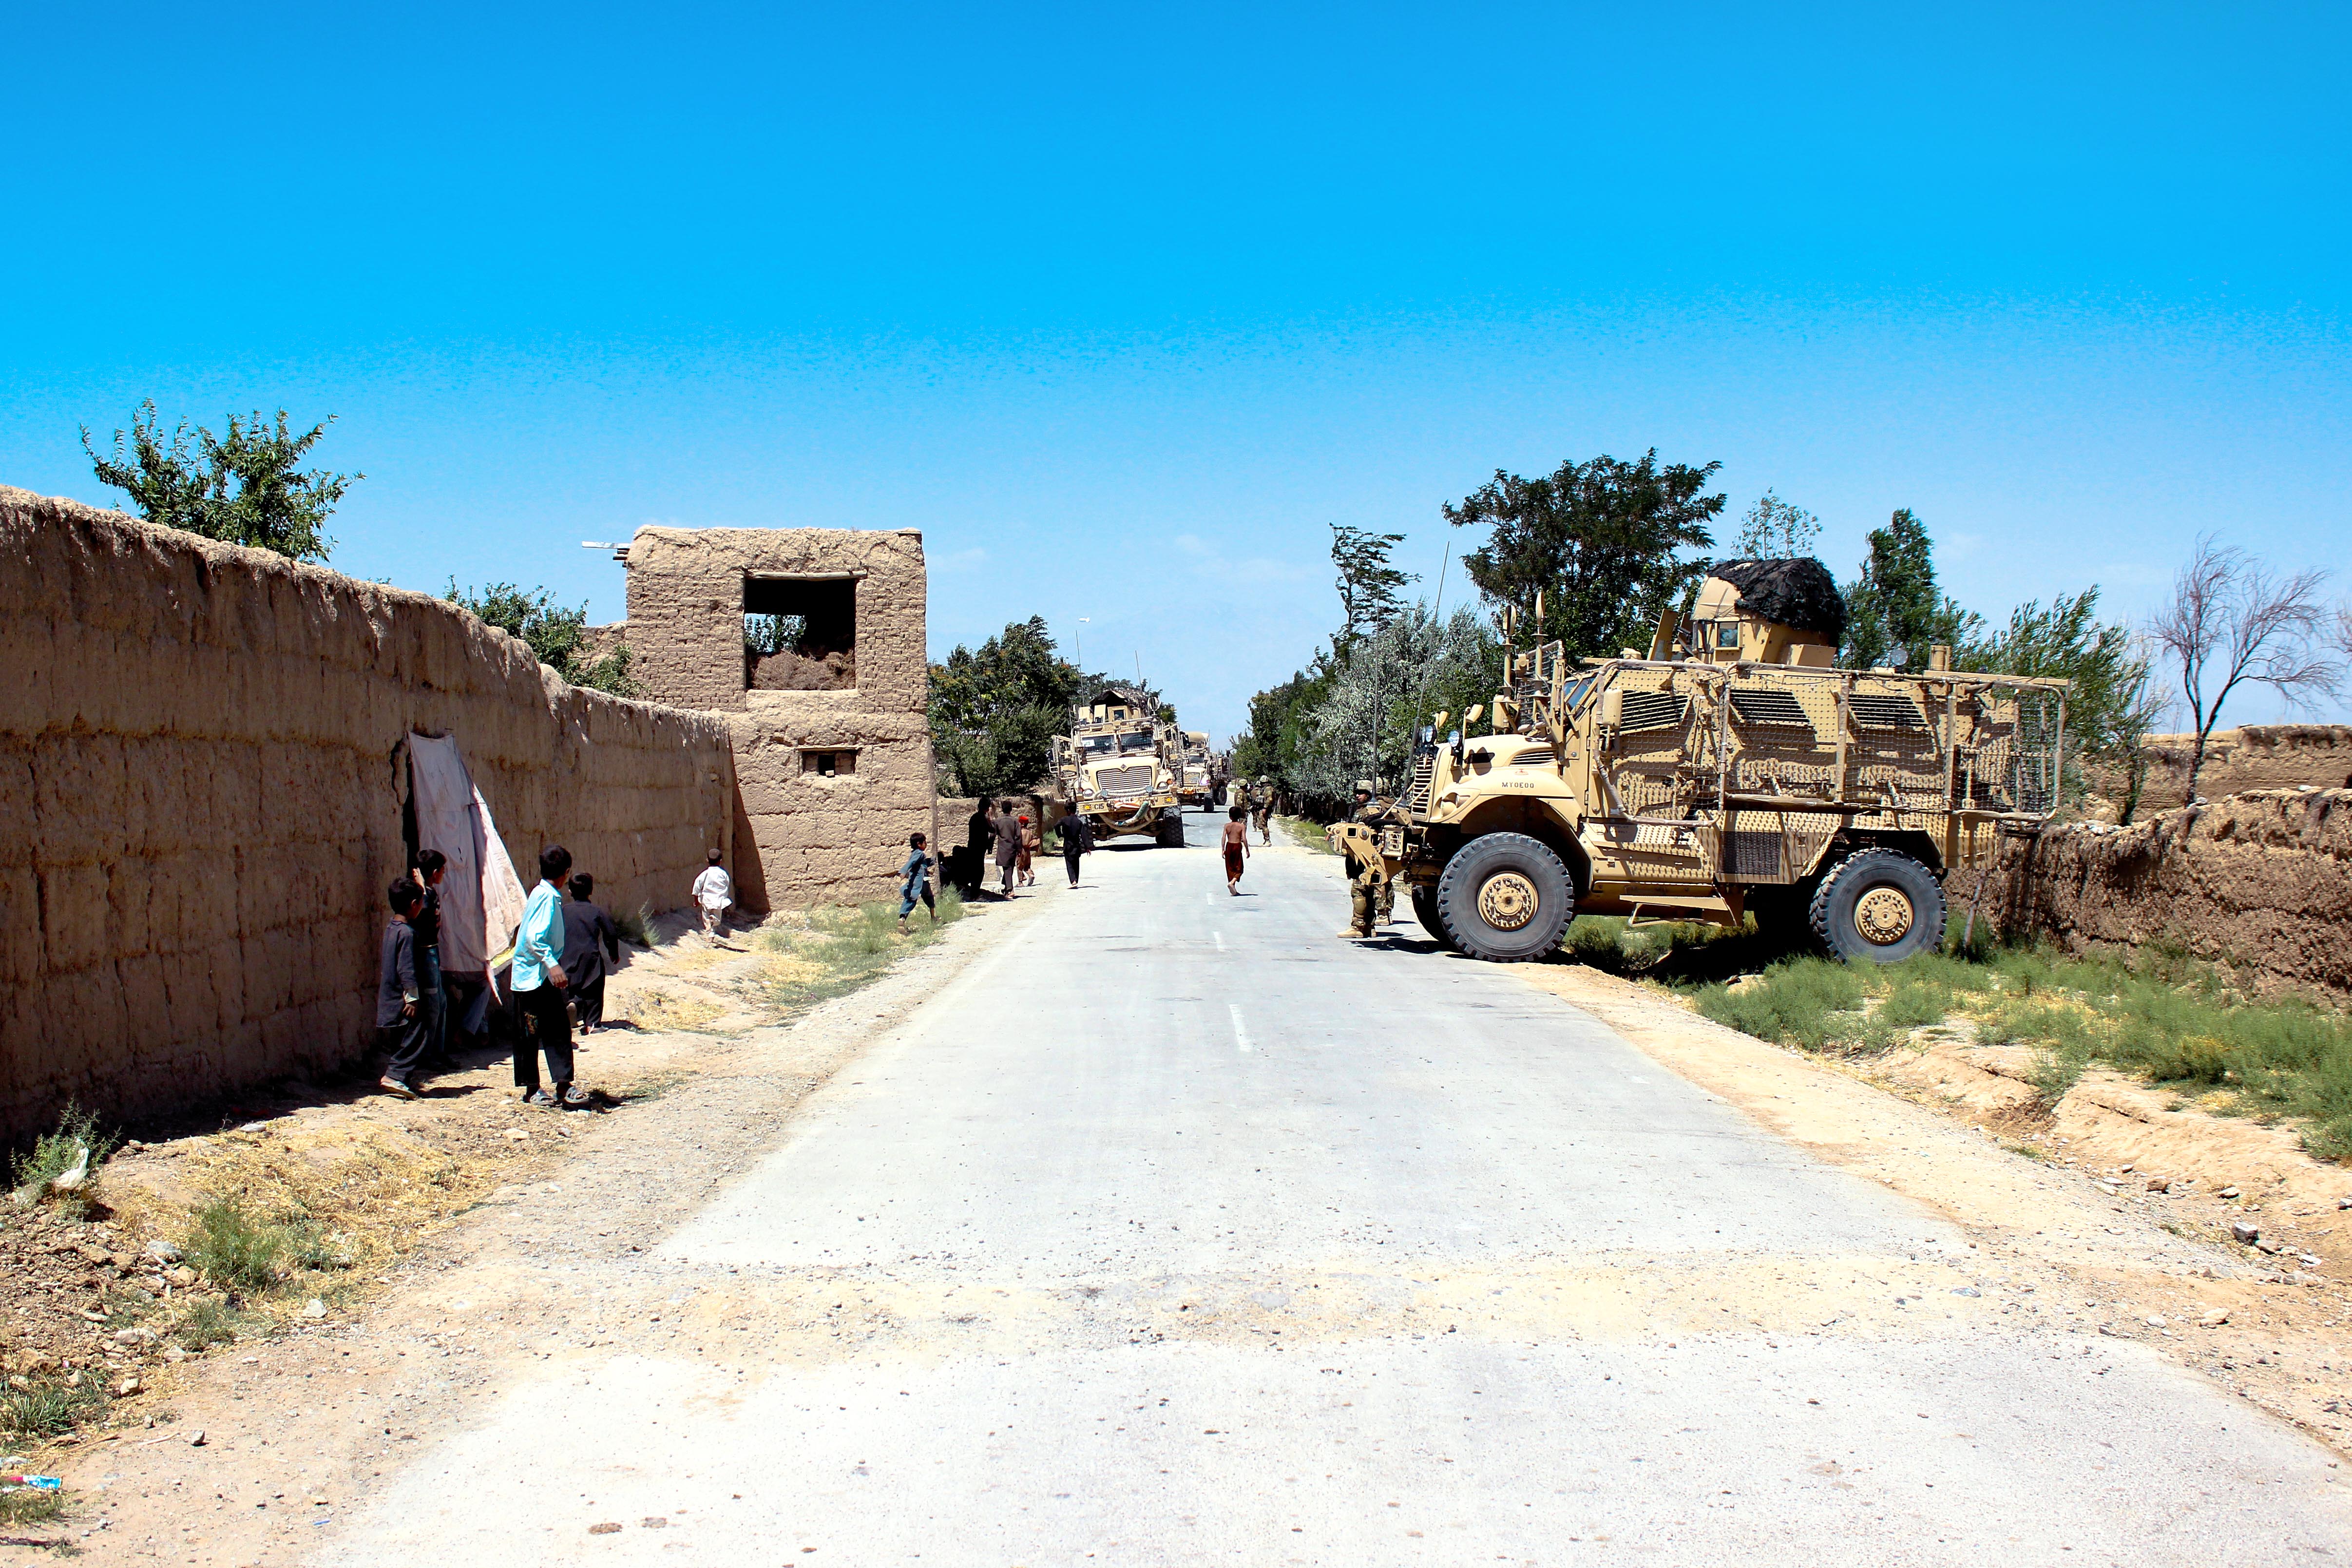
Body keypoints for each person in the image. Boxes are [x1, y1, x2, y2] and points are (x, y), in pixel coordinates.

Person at [513, 845, 585, 1107]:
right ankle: (532, 1089)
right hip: (532, 977)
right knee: (530, 1032)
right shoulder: (546, 898)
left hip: (540, 976)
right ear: (566, 873)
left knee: (558, 1029)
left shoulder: (546, 894)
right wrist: (553, 965)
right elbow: (535, 937)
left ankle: (564, 1084)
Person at [376, 880, 432, 1098]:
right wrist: (412, 998)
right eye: (421, 903)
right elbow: (406, 968)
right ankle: (395, 1075)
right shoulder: (408, 934)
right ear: (414, 904)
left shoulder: (392, 929)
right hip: (403, 998)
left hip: (391, 996)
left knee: (401, 1039)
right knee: (418, 1033)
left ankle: (401, 1081)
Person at [1339, 781, 1405, 938]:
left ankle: (1359, 926)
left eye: (1361, 792)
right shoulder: (1388, 808)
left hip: (1364, 857)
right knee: (1370, 891)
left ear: (1369, 794)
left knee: (1359, 891)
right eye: (1356, 792)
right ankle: (1370, 926)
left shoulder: (1368, 811)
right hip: (1377, 857)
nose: (1357, 795)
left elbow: (1358, 833)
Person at [561, 873, 621, 1034]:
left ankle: (573, 1003)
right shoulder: (597, 911)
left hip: (566, 958)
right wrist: (613, 953)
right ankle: (592, 1024)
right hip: (591, 958)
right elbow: (611, 933)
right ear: (591, 891)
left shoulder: (563, 911)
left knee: (570, 987)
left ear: (570, 892)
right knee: (594, 988)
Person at [408, 849, 449, 1070]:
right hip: (425, 954)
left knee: (441, 1004)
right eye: (442, 871)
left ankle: (439, 1051)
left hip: (433, 952)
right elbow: (420, 910)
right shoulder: (422, 896)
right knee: (433, 1006)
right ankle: (428, 1055)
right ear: (434, 873)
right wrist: (421, 886)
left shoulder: (430, 892)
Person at [691, 848, 733, 941]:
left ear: (707, 860)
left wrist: (696, 900)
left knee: (706, 919)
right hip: (718, 901)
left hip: (706, 900)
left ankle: (710, 935)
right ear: (721, 862)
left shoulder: (705, 874)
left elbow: (697, 886)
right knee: (717, 921)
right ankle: (713, 924)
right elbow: (726, 885)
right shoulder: (724, 874)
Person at [898, 832, 936, 932]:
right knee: (929, 899)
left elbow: (922, 864)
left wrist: (934, 860)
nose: (926, 844)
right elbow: (911, 863)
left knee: (911, 900)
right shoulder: (920, 854)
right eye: (925, 842)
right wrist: (903, 871)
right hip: (921, 882)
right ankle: (933, 918)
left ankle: (902, 919)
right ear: (919, 844)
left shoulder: (915, 854)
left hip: (919, 882)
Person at [992, 800, 1023, 899]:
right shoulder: (1015, 822)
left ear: (1002, 809)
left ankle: (1010, 890)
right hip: (1012, 848)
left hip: (1003, 848)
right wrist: (1019, 849)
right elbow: (1018, 836)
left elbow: (993, 835)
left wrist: (990, 847)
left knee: (1007, 868)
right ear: (1011, 809)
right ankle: (1006, 887)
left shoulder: (998, 821)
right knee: (1009, 868)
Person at [1221, 804, 1251, 895]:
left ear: (1230, 816)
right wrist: (1247, 850)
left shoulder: (1227, 826)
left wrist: (1223, 849)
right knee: (1239, 867)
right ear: (1240, 816)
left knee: (1230, 867)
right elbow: (1244, 839)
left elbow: (1223, 838)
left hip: (1229, 846)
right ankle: (1233, 882)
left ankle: (1232, 885)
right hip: (1237, 846)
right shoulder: (1242, 826)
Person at [1059, 808, 1093, 886]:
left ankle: (1073, 881)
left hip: (1067, 845)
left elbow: (1056, 826)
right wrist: (1088, 847)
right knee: (1076, 863)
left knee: (1069, 864)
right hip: (1077, 846)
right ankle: (1076, 881)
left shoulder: (1064, 820)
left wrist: (1060, 834)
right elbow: (1084, 835)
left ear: (1068, 810)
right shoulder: (1079, 822)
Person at [1017, 813, 1040, 887]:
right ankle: (1031, 874)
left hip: (1021, 851)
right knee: (1027, 866)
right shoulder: (1029, 832)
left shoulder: (1020, 832)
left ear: (1022, 824)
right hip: (1028, 852)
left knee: (1020, 867)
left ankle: (1021, 882)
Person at [1252, 779, 1274, 846]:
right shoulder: (1265, 789)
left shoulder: (1268, 789)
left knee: (1263, 825)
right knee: (1263, 824)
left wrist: (1265, 808)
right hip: (1262, 808)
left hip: (1265, 809)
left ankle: (1268, 840)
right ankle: (1266, 840)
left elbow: (1270, 799)